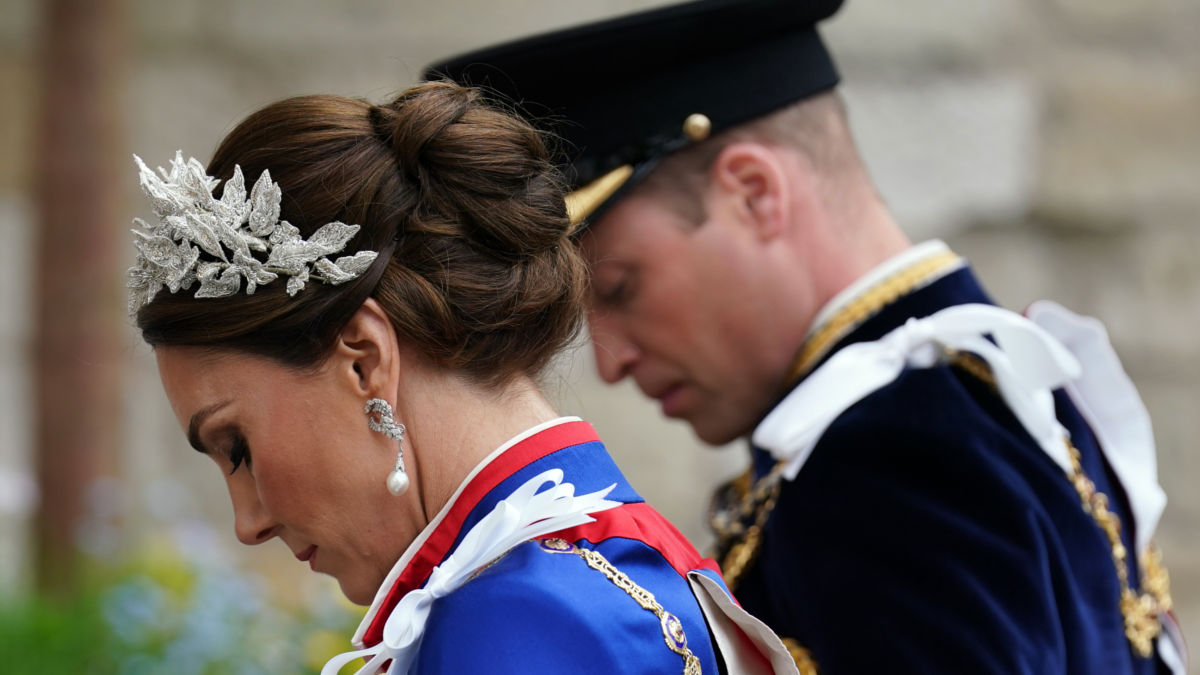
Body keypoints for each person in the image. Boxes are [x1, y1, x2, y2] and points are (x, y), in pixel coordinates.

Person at [424, 1, 1187, 673]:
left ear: (754, 192)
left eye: (620, 288)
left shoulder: (895, 455)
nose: (614, 360)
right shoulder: (964, 398)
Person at [128, 81, 802, 674]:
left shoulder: (520, 618)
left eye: (236, 446)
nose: (247, 522)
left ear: (364, 359)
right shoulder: (585, 567)